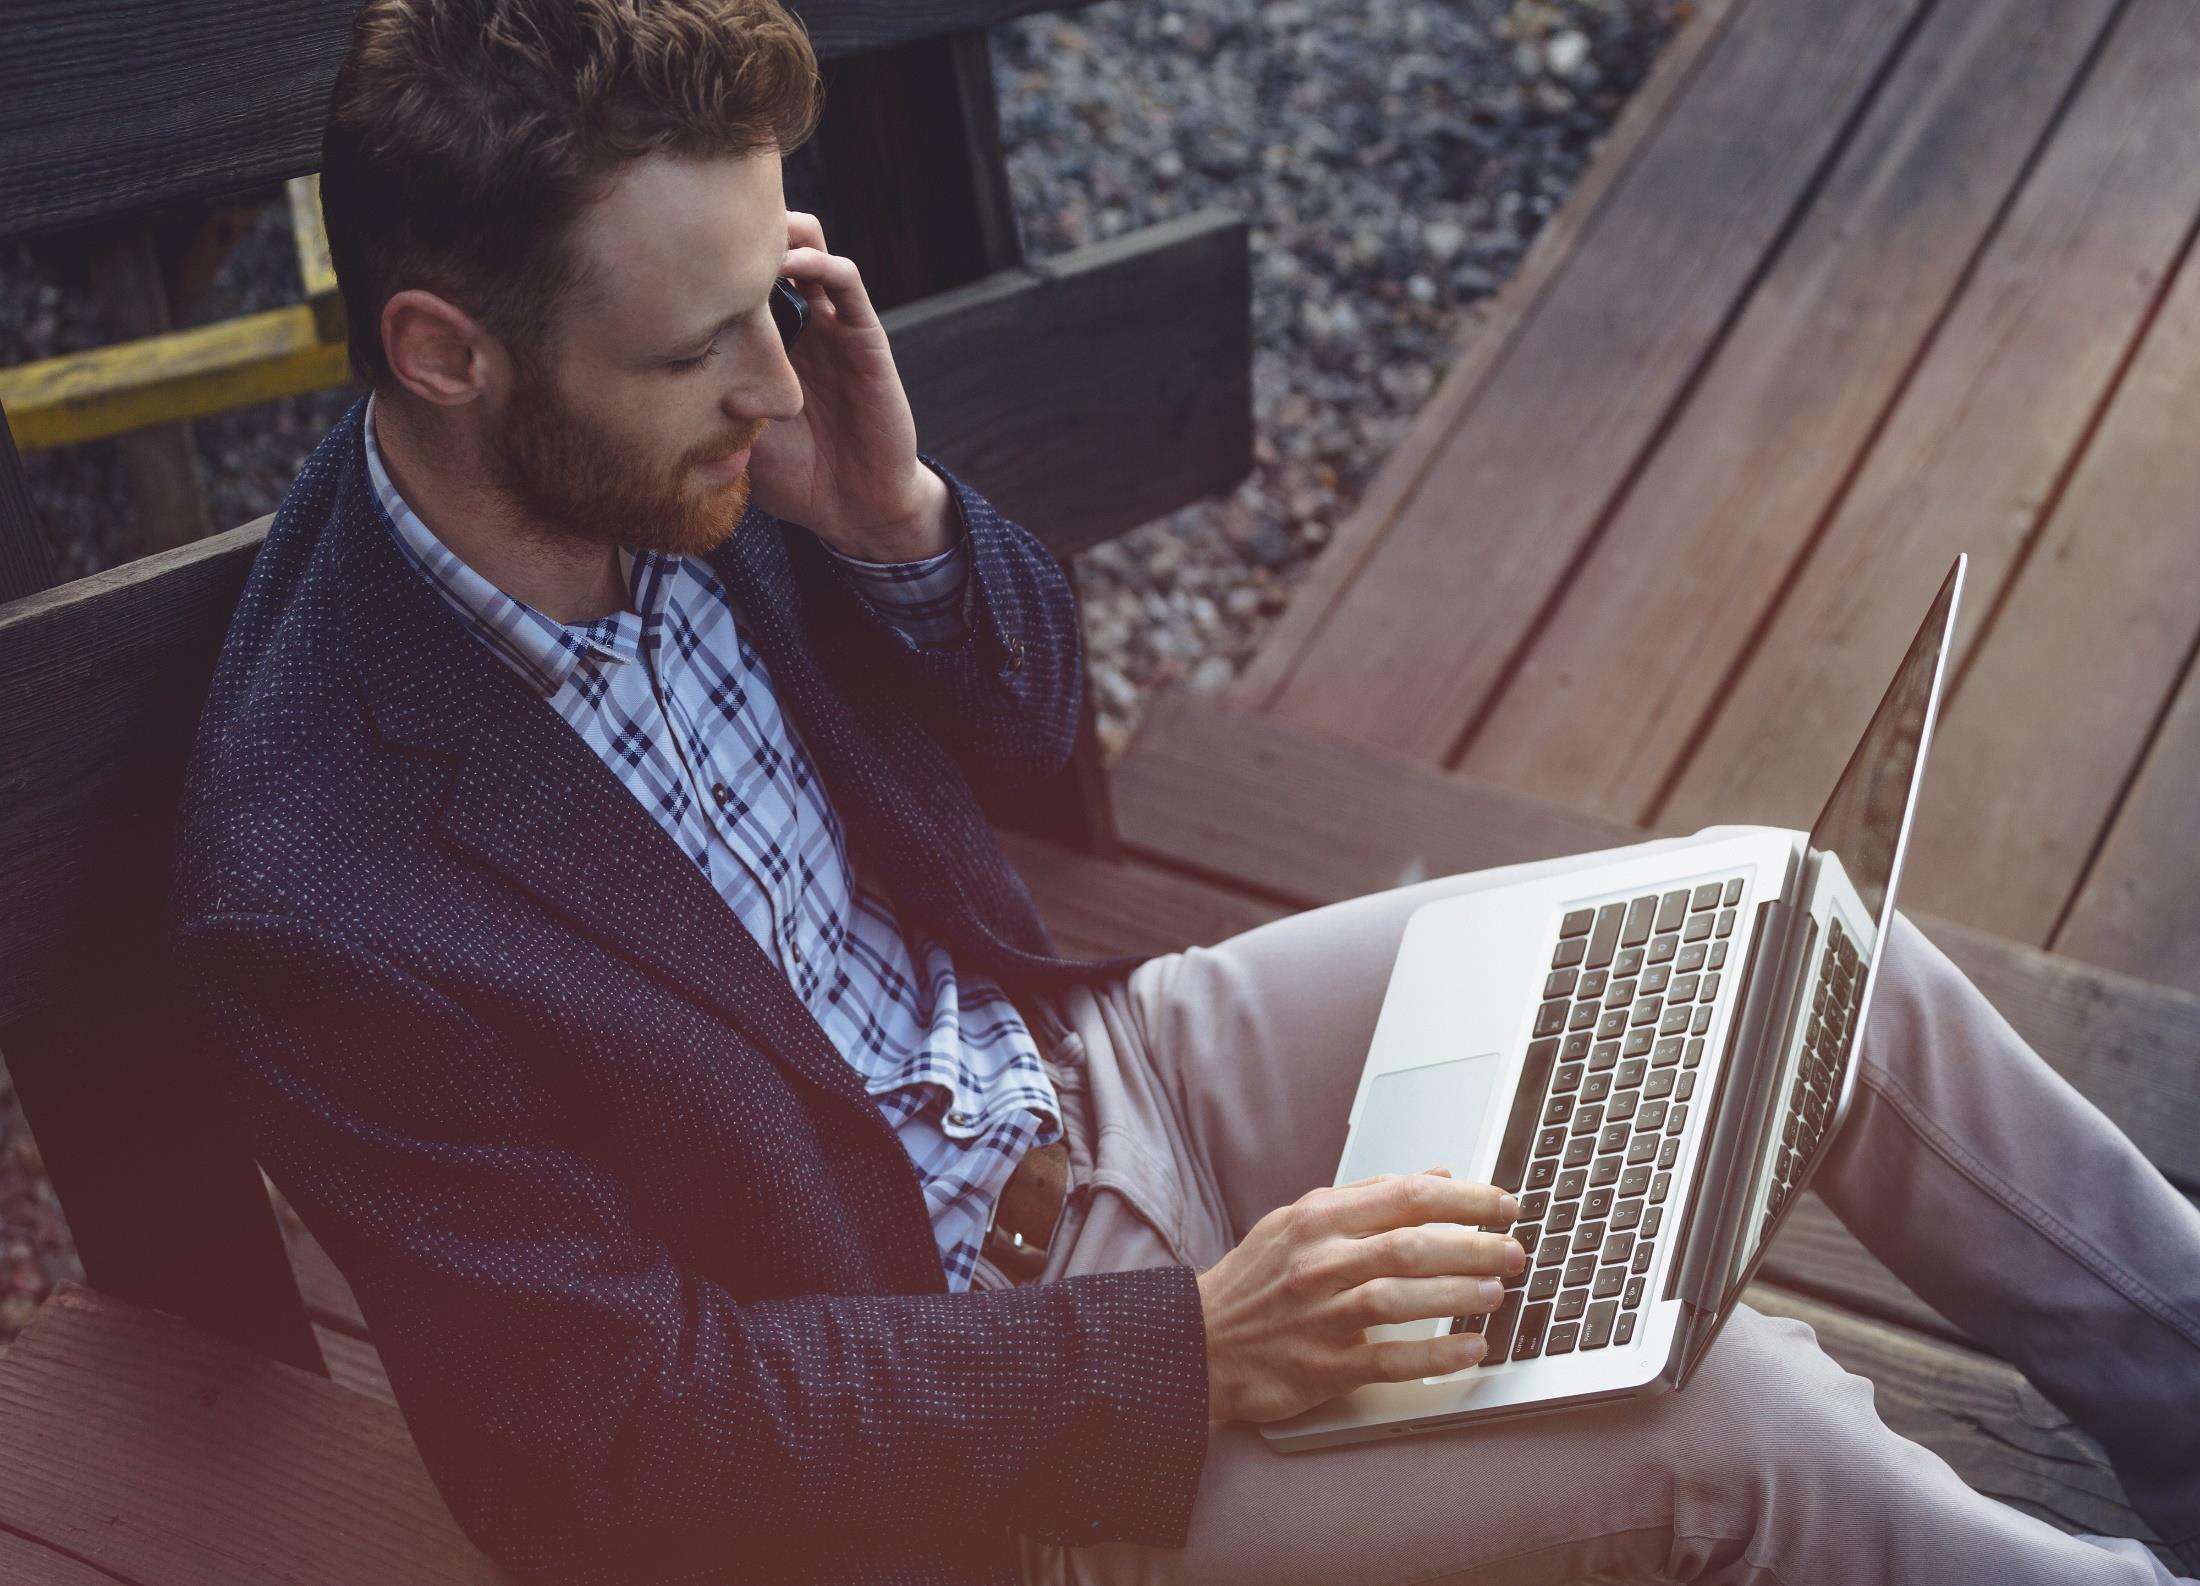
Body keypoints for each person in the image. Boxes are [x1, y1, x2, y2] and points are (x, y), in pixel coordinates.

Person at [168, 1, 2200, 1583]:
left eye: (772, 301)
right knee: (1749, 1421)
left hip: (1103, 1067)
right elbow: (606, 1446)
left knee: (1786, 933)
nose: (776, 388)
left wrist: (895, 527)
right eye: (709, 349)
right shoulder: (319, 883)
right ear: (445, 353)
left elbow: (1046, 769)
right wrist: (1187, 1352)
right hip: (1003, 1432)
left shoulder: (689, 428)